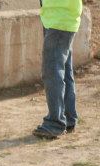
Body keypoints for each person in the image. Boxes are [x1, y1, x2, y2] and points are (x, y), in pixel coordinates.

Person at [33, 0, 83, 139]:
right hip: (57, 17)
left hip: (59, 19)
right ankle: (68, 118)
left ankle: (55, 124)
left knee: (53, 71)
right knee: (63, 71)